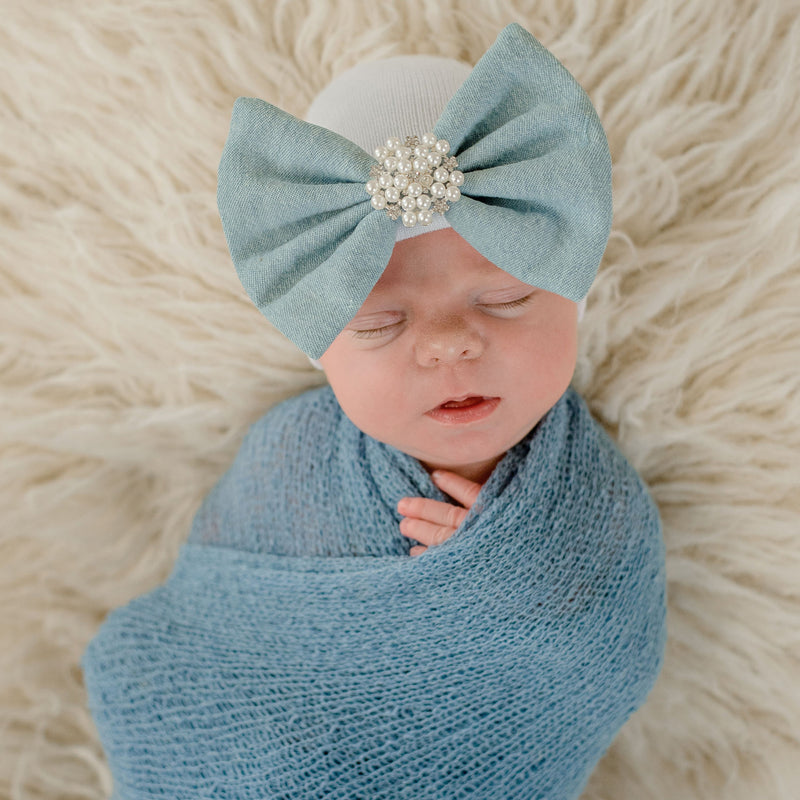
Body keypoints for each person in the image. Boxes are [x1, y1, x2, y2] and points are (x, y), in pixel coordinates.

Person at [82, 23, 667, 799]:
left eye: (506, 298)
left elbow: (616, 657)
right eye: (379, 325)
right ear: (322, 348)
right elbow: (193, 643)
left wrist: (521, 578)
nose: (449, 346)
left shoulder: (598, 507)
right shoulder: (286, 455)